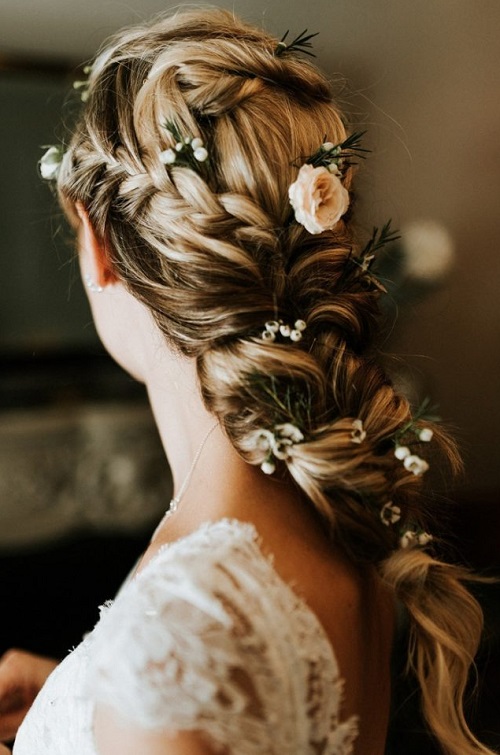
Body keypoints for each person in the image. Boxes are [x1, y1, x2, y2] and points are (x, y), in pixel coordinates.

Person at [0, 8, 494, 754]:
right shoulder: (334, 513)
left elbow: (184, 694)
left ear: (97, 245)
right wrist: (78, 698)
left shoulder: (178, 639)